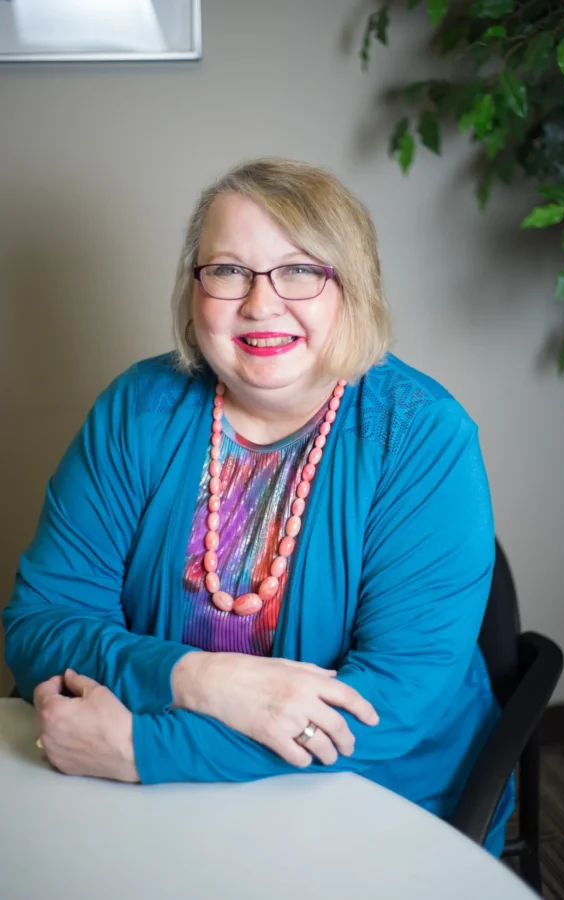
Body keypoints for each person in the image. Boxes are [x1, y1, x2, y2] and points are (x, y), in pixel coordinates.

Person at [3, 157, 513, 855]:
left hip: (375, 797)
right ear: (194, 291)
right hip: (158, 806)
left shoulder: (422, 434)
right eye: (228, 271)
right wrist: (202, 678)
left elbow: (388, 709)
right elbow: (42, 623)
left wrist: (146, 747)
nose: (260, 304)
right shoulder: (136, 409)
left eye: (301, 270)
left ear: (353, 291)